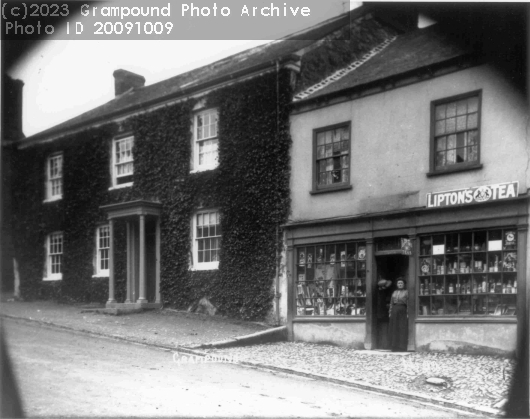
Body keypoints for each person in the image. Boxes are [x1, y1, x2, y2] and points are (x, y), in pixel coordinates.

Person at [389, 277, 408, 352]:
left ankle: (402, 347)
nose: (400, 284)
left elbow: (409, 303)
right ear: (397, 284)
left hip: (402, 311)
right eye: (398, 283)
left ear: (404, 284)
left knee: (401, 328)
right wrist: (390, 312)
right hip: (394, 311)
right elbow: (391, 303)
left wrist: (408, 313)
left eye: (401, 283)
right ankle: (394, 346)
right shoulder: (394, 292)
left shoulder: (407, 292)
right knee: (394, 328)